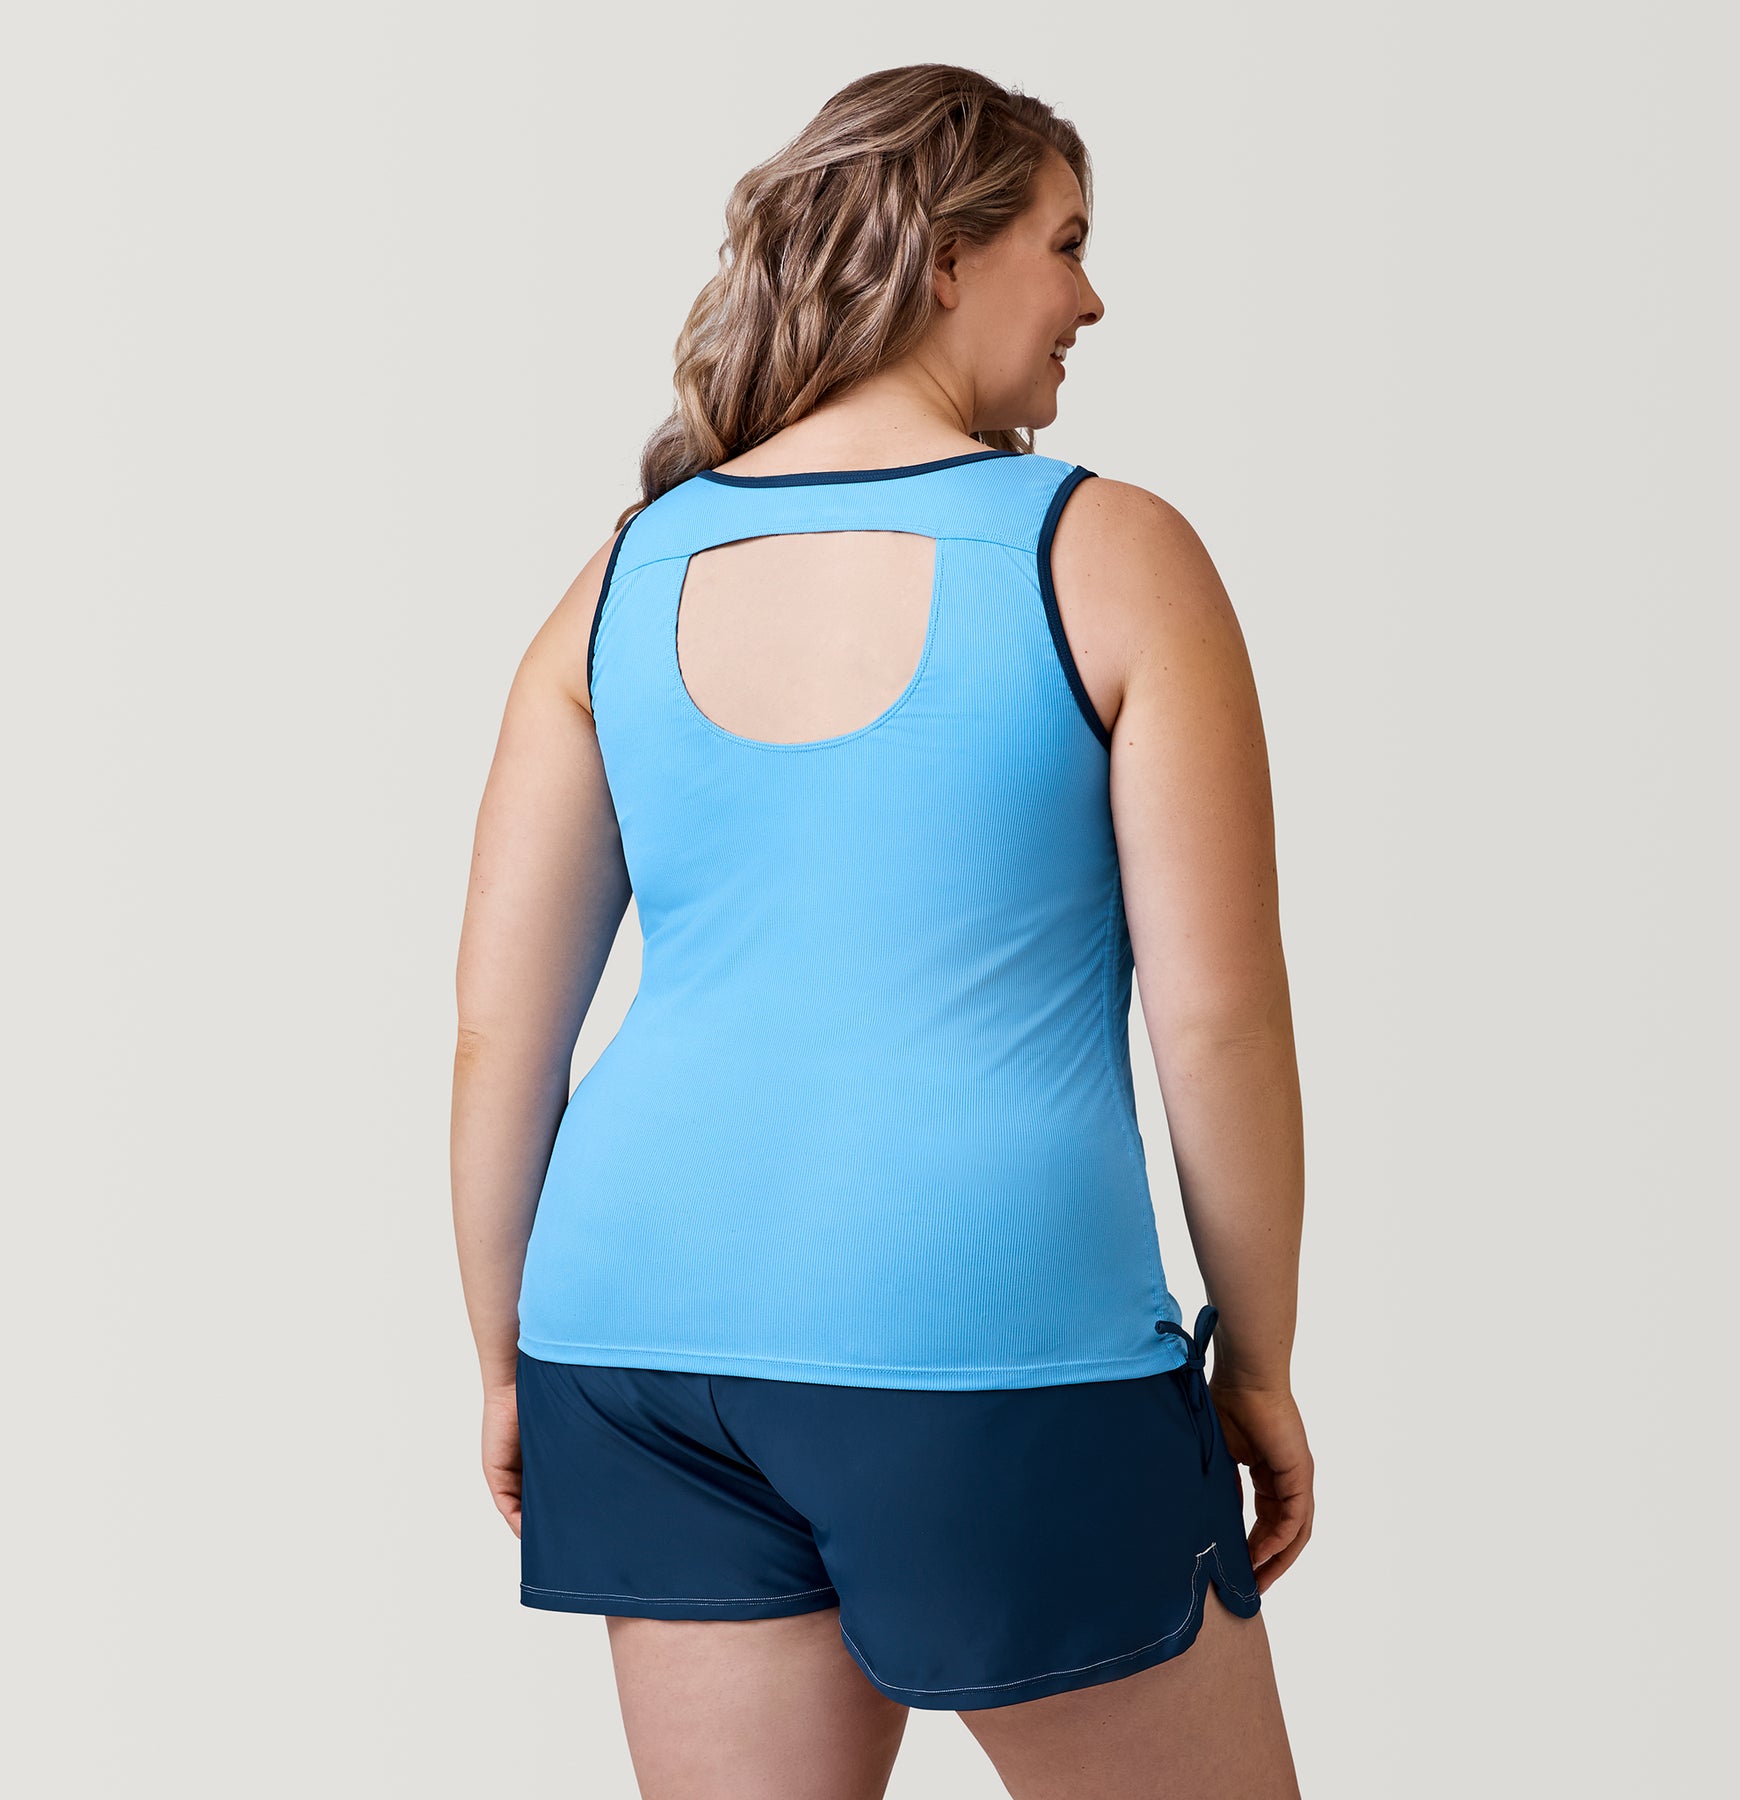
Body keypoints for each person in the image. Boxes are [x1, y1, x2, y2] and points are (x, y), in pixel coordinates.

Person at [451, 62, 1312, 1799]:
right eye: (1066, 242)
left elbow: (498, 1039)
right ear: (943, 257)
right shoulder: (1107, 552)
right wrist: (1263, 1356)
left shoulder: (620, 577)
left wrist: (501, 1362)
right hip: (991, 1334)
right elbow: (1216, 1024)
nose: (1090, 299)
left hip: (629, 1340)